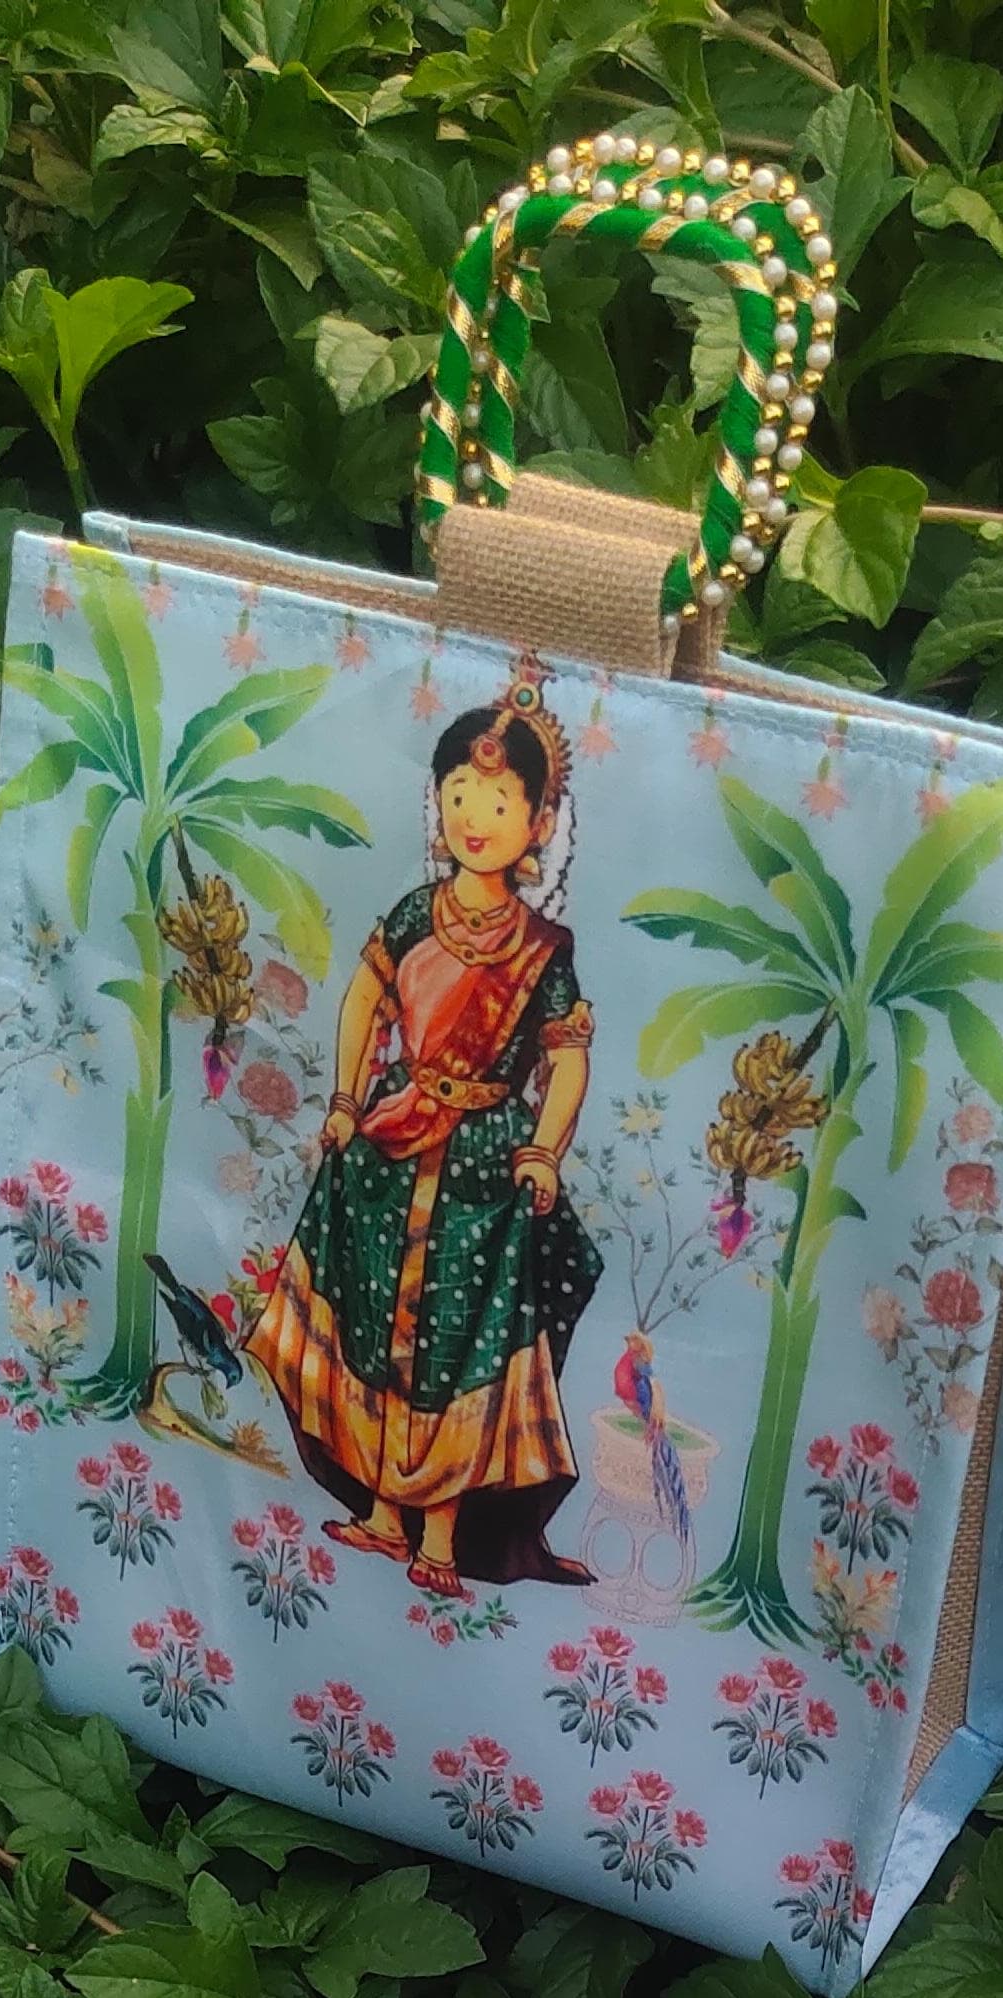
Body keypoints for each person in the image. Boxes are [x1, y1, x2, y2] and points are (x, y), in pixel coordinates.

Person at [242, 664, 602, 1595]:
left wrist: (543, 1151)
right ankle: (380, 1514)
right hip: (389, 1148)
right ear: (437, 801)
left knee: (454, 1346)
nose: (475, 815)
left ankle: (440, 1541)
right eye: (459, 792)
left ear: (538, 823)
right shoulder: (415, 915)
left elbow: (566, 1056)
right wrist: (345, 1099)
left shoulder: (541, 953)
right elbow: (364, 998)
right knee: (372, 1325)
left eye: (499, 799)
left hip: (483, 1169)